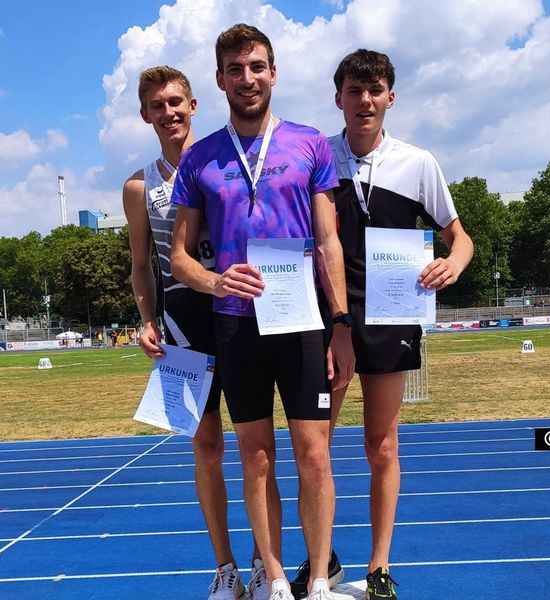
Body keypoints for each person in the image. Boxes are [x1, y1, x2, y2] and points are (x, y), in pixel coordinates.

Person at [170, 23, 354, 600]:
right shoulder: (200, 158)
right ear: (220, 79)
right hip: (234, 321)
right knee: (255, 457)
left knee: (315, 454)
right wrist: (213, 277)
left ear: (273, 72)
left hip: (301, 319)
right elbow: (178, 258)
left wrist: (342, 324)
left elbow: (328, 241)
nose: (246, 79)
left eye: (256, 67)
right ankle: (273, 577)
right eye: (234, 69)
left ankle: (319, 578)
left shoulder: (312, 144)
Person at [329, 49, 474, 600]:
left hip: (393, 316)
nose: (364, 100)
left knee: (381, 445)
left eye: (375, 90)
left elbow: (460, 238)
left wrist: (452, 263)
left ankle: (378, 566)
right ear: (337, 97)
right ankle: (323, 560)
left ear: (390, 96)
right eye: (353, 90)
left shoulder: (418, 163)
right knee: (314, 445)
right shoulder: (319, 157)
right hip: (332, 320)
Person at [122, 65, 261, 600]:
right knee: (206, 445)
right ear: (145, 114)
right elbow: (141, 264)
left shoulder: (223, 163)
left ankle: (260, 561)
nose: (169, 113)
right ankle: (225, 567)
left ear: (195, 104)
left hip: (237, 311)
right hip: (183, 322)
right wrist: (147, 320)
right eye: (158, 105)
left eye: (176, 102)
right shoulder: (139, 186)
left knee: (255, 443)